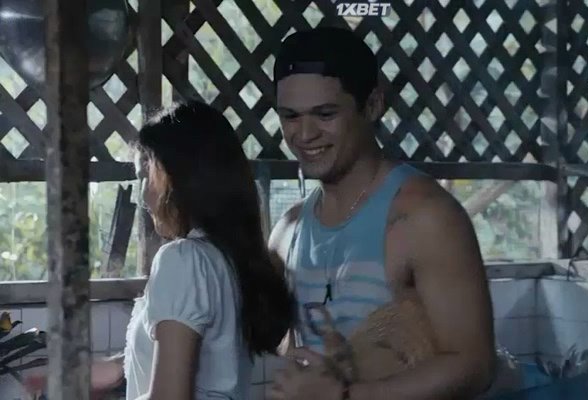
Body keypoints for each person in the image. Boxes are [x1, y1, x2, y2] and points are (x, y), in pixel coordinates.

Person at [267, 27, 496, 400]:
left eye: (325, 114)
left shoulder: (425, 217)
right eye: (290, 116)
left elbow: (474, 366)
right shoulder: (287, 231)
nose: (304, 134)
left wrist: (345, 397)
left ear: (372, 105)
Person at [27, 101, 296, 400]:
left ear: (177, 178)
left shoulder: (182, 260)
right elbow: (187, 361)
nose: (144, 195)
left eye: (147, 175)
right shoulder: (228, 259)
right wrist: (103, 371)